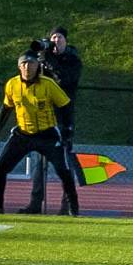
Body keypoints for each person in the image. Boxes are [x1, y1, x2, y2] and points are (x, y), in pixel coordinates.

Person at [0, 50, 79, 216]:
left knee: (63, 170)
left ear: (38, 66)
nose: (27, 67)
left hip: (47, 135)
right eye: (24, 63)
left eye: (32, 63)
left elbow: (65, 105)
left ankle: (73, 208)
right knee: (0, 167)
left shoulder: (48, 84)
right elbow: (6, 109)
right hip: (23, 135)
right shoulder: (12, 85)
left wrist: (67, 129)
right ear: (19, 66)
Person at [21, 26, 83, 215]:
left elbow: (65, 81)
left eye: (59, 37)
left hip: (64, 116)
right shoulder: (44, 59)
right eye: (53, 37)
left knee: (63, 161)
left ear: (66, 40)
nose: (55, 41)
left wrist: (48, 61)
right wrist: (34, 59)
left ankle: (67, 205)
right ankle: (35, 202)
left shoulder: (73, 60)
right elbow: (30, 80)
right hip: (45, 116)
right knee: (40, 159)